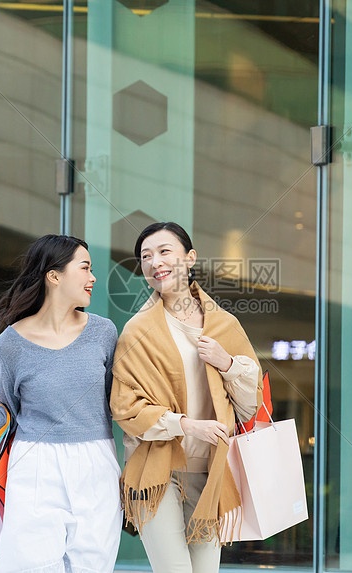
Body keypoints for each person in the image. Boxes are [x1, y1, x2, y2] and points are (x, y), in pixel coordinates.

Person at [0, 234, 122, 573]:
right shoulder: (9, 344)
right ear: (54, 276)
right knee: (30, 565)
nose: (93, 277)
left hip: (96, 462)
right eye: (84, 268)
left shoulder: (103, 332)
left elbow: (120, 402)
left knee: (93, 566)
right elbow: (8, 410)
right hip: (35, 464)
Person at [110, 222, 263, 573]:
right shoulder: (138, 329)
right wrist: (186, 425)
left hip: (212, 472)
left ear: (190, 257)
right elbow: (125, 407)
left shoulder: (225, 325)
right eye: (146, 256)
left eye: (164, 251)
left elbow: (249, 405)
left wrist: (227, 364)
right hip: (156, 472)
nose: (154, 262)